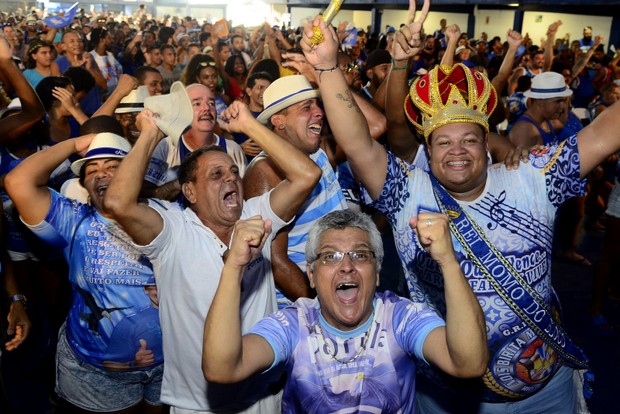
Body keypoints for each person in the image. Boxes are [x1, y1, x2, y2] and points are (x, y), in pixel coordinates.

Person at [299, 0, 620, 410]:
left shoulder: (533, 177)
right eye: (443, 142)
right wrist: (327, 68)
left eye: (469, 139)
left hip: (543, 392)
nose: (457, 152)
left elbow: (605, 132)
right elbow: (358, 142)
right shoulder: (404, 191)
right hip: (446, 396)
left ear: (488, 144)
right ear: (426, 151)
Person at [102, 96, 322, 412]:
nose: (231, 178)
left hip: (266, 398)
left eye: (233, 171)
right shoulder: (173, 231)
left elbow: (306, 175)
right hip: (200, 405)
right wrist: (151, 132)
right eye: (216, 175)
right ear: (189, 191)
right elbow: (118, 203)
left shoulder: (256, 214)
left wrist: (248, 125)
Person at [202, 209, 488, 412]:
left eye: (360, 255)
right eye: (330, 257)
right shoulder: (295, 323)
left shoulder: (399, 317)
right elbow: (221, 368)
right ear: (311, 275)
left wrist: (448, 261)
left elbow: (469, 363)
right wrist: (234, 267)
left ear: (377, 274)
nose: (347, 266)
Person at [5, 133, 165, 413]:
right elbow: (17, 182)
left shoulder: (167, 216)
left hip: (167, 364)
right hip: (96, 374)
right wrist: (78, 143)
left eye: (113, 166)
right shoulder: (74, 221)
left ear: (134, 171)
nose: (101, 174)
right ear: (85, 186)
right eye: (92, 170)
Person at [245, 75, 349, 308]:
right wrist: (323, 305)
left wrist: (328, 75)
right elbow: (276, 262)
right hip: (305, 310)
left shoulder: (318, 150)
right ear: (279, 121)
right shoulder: (265, 171)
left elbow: (375, 127)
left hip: (340, 289)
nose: (319, 112)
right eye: (306, 107)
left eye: (316, 103)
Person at [509, 71, 573, 147]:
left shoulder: (546, 121)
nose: (563, 106)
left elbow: (562, 123)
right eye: (558, 101)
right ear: (539, 101)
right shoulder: (525, 130)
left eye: (564, 101)